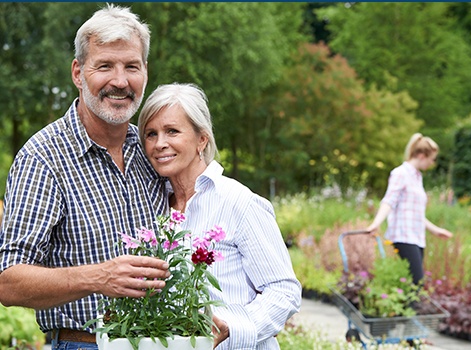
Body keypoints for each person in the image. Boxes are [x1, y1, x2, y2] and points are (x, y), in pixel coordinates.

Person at [0, 5, 170, 349]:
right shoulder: (44, 158)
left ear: (146, 73)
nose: (120, 81)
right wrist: (98, 277)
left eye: (131, 67)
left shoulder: (153, 150)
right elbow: (8, 282)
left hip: (161, 341)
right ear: (78, 73)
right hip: (85, 344)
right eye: (104, 65)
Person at [137, 83, 302, 350]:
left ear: (202, 139)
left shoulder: (239, 202)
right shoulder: (152, 207)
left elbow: (284, 291)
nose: (160, 144)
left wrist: (231, 328)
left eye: (172, 131)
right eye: (151, 134)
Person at [366, 133, 453, 285]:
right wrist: (376, 223)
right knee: (417, 281)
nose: (432, 164)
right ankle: (410, 309)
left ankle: (406, 308)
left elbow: (415, 213)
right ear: (421, 155)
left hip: (416, 236)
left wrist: (435, 230)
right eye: (431, 159)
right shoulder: (400, 173)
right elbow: (389, 201)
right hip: (403, 235)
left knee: (414, 283)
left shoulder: (417, 177)